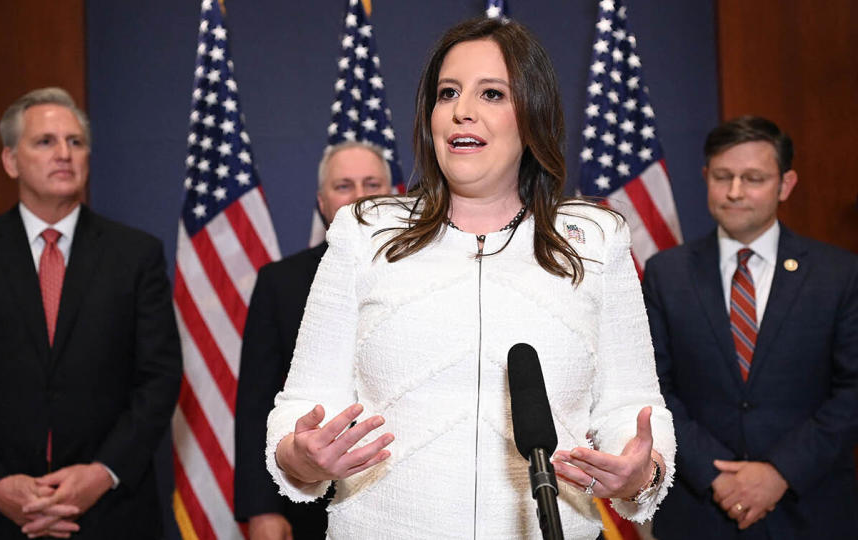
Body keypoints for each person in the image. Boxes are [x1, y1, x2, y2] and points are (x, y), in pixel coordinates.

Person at [263, 18, 675, 539]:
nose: (462, 110)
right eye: (448, 93)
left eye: (492, 93)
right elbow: (301, 405)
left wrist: (642, 474)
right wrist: (302, 457)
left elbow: (631, 407)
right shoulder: (365, 232)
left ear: (532, 115)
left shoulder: (594, 239)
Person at [0, 87, 182, 539]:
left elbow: (159, 378)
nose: (64, 154)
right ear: (10, 161)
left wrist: (100, 474)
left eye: (75, 142)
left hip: (109, 514)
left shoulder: (136, 255)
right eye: (45, 142)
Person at [645, 116, 858, 539]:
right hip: (698, 511)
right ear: (706, 177)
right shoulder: (666, 273)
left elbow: (852, 389)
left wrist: (781, 472)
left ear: (786, 184)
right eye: (723, 177)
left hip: (810, 511)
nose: (735, 191)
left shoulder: (839, 274)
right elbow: (654, 386)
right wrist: (715, 475)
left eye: (754, 178)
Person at [234, 141, 393, 539]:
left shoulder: (427, 278)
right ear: (322, 202)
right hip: (305, 502)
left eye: (372, 184)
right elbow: (257, 403)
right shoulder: (279, 283)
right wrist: (261, 508)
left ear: (395, 197)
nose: (359, 197)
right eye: (344, 186)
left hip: (400, 494)